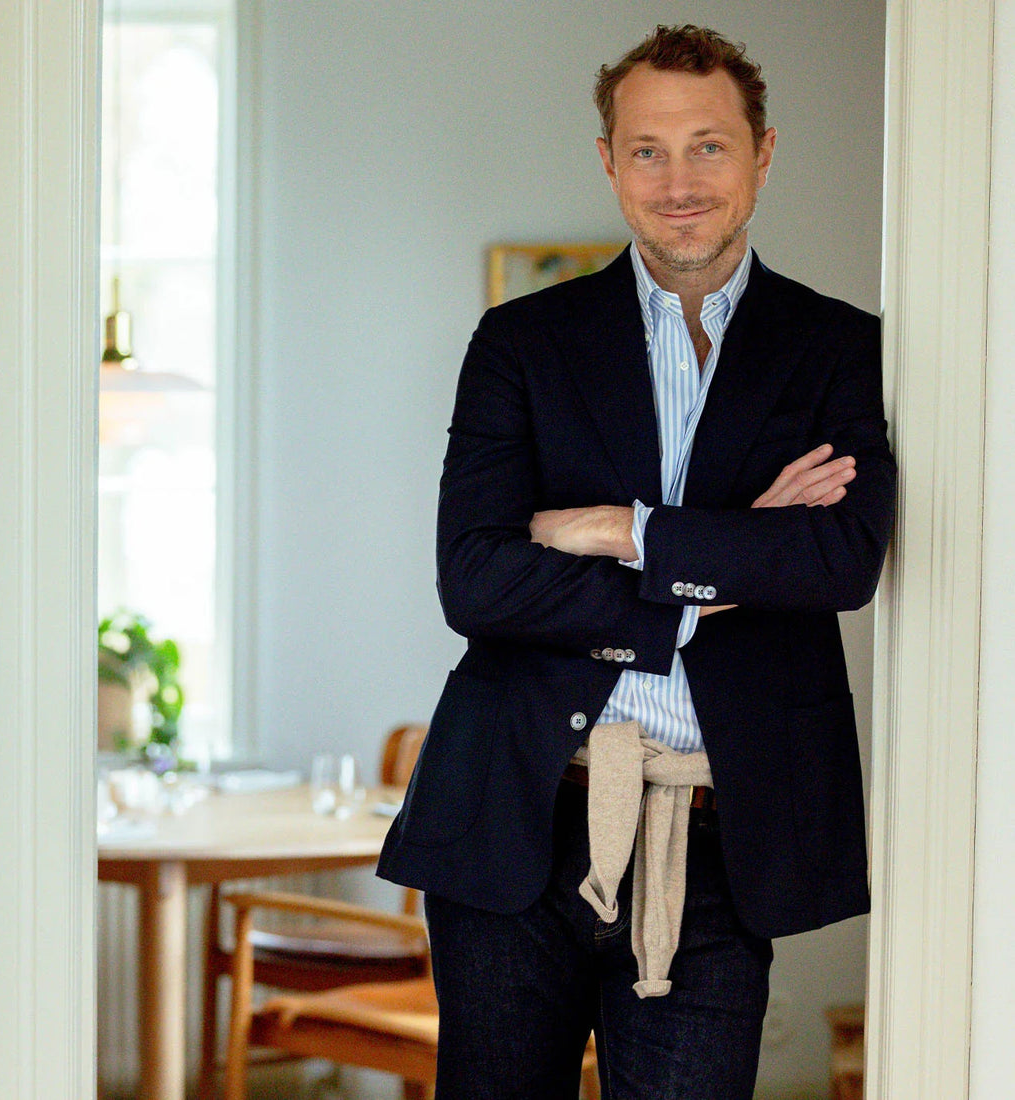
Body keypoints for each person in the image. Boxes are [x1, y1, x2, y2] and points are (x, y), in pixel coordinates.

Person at [378, 23, 895, 1100]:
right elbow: (472, 578)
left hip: (721, 838)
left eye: (707, 145)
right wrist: (723, 563)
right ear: (608, 162)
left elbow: (838, 559)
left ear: (762, 152)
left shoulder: (842, 348)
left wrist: (625, 528)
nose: (677, 181)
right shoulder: (519, 342)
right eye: (646, 149)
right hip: (513, 817)